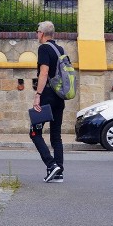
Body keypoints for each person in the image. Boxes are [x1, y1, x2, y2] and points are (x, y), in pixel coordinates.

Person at [31, 21, 67, 182]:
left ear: (43, 34)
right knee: (56, 136)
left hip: (47, 98)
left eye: (37, 32)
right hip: (59, 98)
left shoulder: (44, 48)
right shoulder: (60, 49)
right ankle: (58, 172)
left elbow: (44, 72)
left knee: (34, 132)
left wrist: (38, 94)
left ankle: (51, 165)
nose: (36, 34)